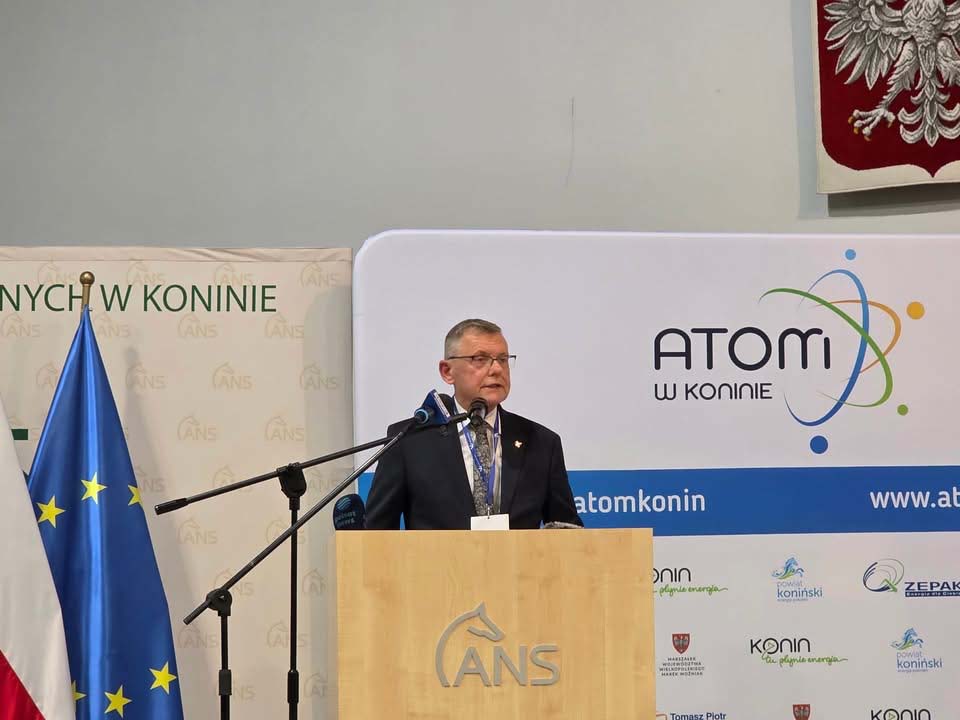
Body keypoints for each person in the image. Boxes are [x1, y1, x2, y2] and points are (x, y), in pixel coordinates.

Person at [365, 318, 583, 530]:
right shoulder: (408, 441)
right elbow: (377, 535)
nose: (497, 369)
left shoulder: (542, 443)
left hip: (517, 557)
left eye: (503, 359)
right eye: (480, 359)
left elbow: (568, 532)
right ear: (447, 371)